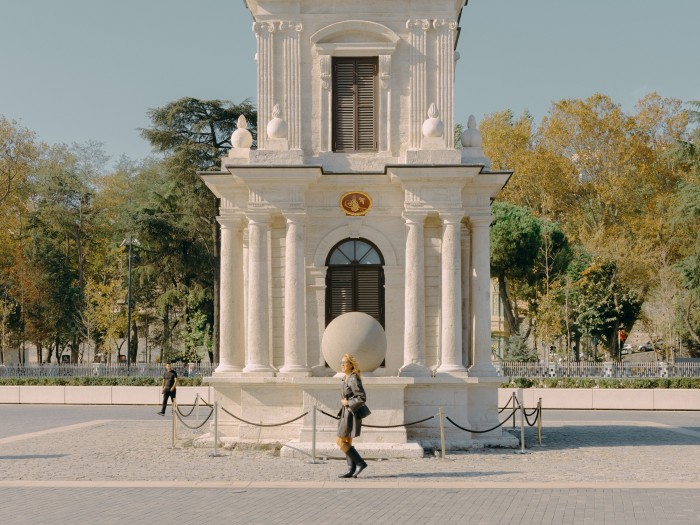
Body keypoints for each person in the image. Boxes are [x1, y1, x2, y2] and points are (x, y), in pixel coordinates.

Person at [336, 353, 368, 478]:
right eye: (341, 362)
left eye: (345, 363)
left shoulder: (353, 378)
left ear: (351, 365)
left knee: (339, 441)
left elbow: (362, 397)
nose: (342, 365)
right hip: (346, 413)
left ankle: (360, 463)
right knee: (346, 440)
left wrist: (347, 402)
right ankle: (351, 469)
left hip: (351, 413)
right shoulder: (346, 377)